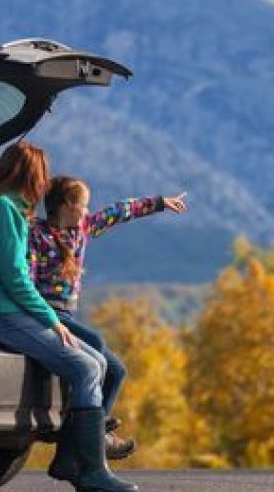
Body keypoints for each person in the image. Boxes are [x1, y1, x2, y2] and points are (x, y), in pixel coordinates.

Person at [0, 142, 137, 492]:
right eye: (42, 175)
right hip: (2, 314)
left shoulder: (10, 210)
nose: (45, 184)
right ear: (31, 175)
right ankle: (90, 469)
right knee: (86, 367)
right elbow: (14, 277)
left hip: (11, 310)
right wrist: (51, 320)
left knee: (99, 362)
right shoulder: (4, 210)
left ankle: (71, 461)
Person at [28, 176, 188, 464]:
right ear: (67, 205)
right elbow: (27, 282)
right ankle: (92, 437)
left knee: (116, 371)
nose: (88, 211)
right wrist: (43, 317)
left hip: (67, 314)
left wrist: (159, 203)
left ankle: (96, 430)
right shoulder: (36, 235)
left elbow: (119, 212)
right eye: (84, 205)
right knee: (96, 342)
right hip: (48, 314)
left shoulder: (82, 229)